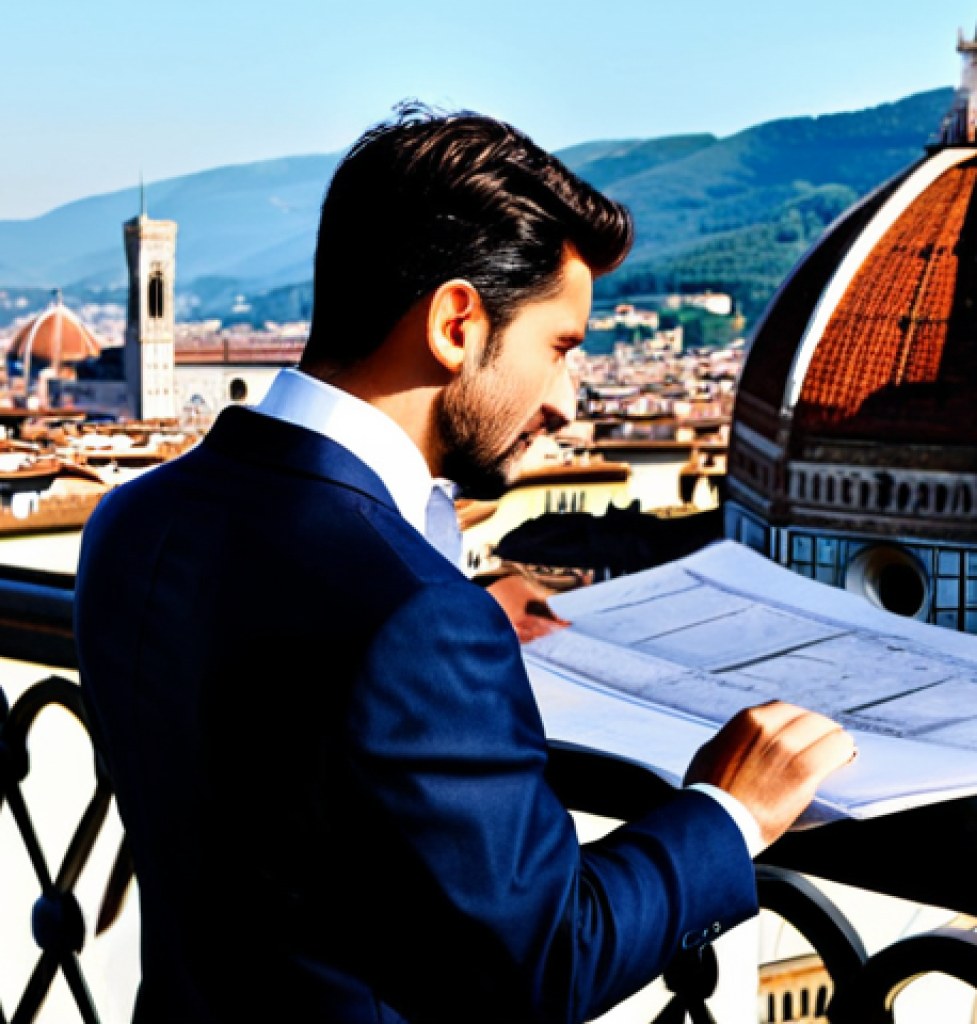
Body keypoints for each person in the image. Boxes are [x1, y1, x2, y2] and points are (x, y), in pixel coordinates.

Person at [75, 104, 854, 1024]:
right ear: (456, 323)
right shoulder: (414, 619)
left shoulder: (134, 520)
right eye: (560, 349)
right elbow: (549, 958)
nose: (568, 402)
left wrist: (456, 613)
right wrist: (728, 812)